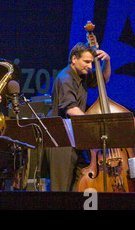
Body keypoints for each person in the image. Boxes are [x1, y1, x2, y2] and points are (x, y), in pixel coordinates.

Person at [47, 42, 111, 191]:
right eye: (87, 62)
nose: (90, 66)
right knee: (60, 190)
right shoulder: (65, 79)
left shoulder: (82, 75)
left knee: (80, 186)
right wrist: (93, 127)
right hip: (61, 142)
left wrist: (106, 61)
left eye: (91, 62)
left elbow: (104, 79)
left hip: (75, 139)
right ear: (74, 59)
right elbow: (71, 109)